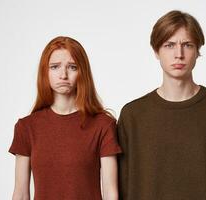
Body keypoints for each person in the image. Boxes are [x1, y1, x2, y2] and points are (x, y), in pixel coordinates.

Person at [117, 10, 206, 200]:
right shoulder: (133, 115)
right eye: (169, 45)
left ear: (198, 51)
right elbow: (122, 189)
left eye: (187, 45)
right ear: (156, 51)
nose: (178, 54)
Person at [9, 36, 122, 200]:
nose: (63, 75)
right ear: (45, 72)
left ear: (82, 72)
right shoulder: (26, 127)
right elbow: (20, 193)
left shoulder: (103, 125)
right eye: (55, 67)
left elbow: (111, 193)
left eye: (72, 67)